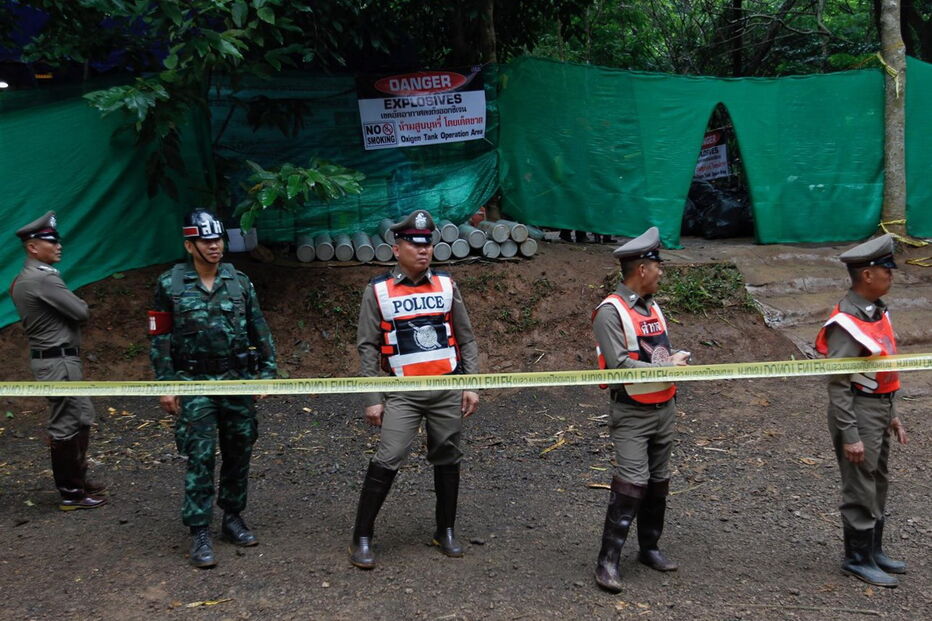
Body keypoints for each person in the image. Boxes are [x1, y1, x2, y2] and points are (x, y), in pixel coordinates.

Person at [350, 209, 480, 569]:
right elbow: (367, 347)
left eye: (428, 243)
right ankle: (361, 536)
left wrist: (471, 384)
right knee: (388, 457)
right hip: (402, 393)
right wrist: (373, 398)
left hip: (446, 389)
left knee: (448, 457)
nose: (423, 250)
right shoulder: (378, 291)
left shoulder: (446, 285)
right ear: (396, 248)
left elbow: (466, 339)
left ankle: (446, 530)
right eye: (414, 243)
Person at [148, 210, 277, 568]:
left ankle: (232, 517)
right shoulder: (170, 285)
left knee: (239, 451)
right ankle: (199, 530)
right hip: (193, 381)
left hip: (236, 379)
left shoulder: (239, 282)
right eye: (206, 241)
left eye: (218, 239)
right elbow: (159, 337)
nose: (215, 246)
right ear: (190, 245)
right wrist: (166, 384)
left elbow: (259, 328)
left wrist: (267, 372)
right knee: (200, 455)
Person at [590, 226, 690, 593]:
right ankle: (607, 562)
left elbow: (653, 352)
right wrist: (667, 368)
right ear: (642, 269)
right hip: (632, 412)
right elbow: (618, 365)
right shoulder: (609, 312)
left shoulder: (653, 307)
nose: (662, 271)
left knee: (658, 482)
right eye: (657, 264)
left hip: (664, 407)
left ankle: (649, 547)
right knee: (632, 482)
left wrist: (673, 360)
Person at [815, 233, 908, 588]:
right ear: (868, 275)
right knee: (859, 485)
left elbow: (884, 369)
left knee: (877, 480)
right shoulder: (845, 324)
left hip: (879, 409)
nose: (892, 276)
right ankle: (857, 558)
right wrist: (849, 434)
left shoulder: (877, 313)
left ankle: (874, 549)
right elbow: (837, 384)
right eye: (887, 270)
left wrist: (893, 412)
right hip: (858, 412)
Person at [11, 211, 107, 511]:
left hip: (59, 360)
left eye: (58, 240)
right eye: (50, 241)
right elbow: (81, 312)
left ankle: (78, 479)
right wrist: (78, 304)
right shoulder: (42, 279)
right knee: (65, 425)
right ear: (32, 246)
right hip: (57, 362)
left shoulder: (30, 278)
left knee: (80, 418)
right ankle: (70, 493)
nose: (58, 246)